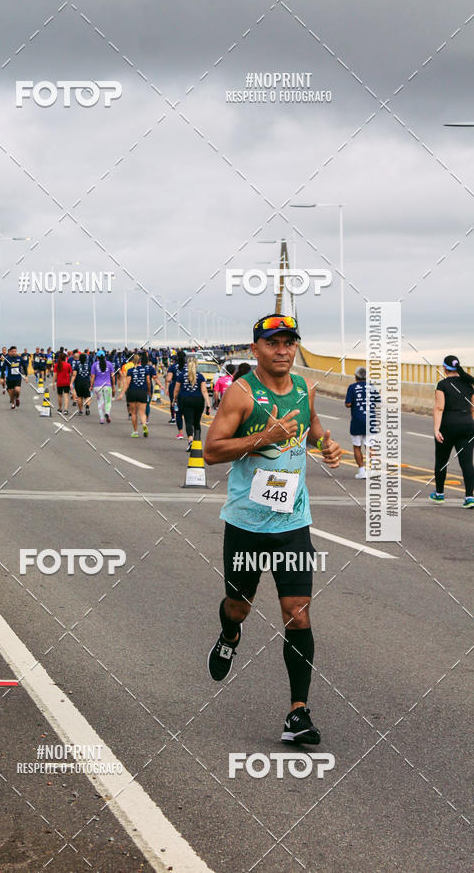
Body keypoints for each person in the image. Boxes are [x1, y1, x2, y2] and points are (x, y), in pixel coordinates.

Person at [203, 314, 342, 745]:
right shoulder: (243, 395)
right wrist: (263, 438)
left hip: (293, 523)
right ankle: (229, 634)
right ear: (255, 349)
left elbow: (312, 424)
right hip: (246, 524)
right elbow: (211, 451)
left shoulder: (304, 387)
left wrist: (325, 444)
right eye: (272, 343)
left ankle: (297, 713)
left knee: (297, 612)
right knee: (238, 606)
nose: (282, 350)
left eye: (289, 343)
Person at [430, 354, 474, 508]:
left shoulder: (442, 384)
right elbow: (472, 408)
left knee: (442, 461)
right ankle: (469, 497)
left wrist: (436, 430)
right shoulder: (469, 384)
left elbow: (439, 407)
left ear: (444, 368)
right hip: (467, 426)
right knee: (467, 463)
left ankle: (439, 494)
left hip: (448, 426)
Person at [344, 366, 379, 479]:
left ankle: (362, 471)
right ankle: (374, 470)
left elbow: (348, 404)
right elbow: (379, 401)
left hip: (357, 421)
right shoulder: (372, 387)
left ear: (355, 376)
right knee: (370, 446)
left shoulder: (352, 387)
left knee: (357, 447)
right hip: (370, 421)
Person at [172, 356, 210, 451]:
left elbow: (176, 389)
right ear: (196, 364)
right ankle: (197, 442)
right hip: (198, 400)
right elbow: (204, 391)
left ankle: (190, 440)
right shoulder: (200, 376)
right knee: (197, 422)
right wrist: (208, 404)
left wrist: (174, 399)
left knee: (188, 421)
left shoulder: (182, 375)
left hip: (186, 399)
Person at [117, 353, 150, 436]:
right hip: (142, 391)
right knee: (142, 412)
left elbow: (127, 383)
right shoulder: (145, 370)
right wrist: (149, 391)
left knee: (134, 413)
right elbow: (148, 382)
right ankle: (144, 425)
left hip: (132, 391)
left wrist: (121, 394)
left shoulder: (130, 370)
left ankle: (135, 431)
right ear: (140, 361)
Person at [90, 350, 116, 423]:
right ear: (105, 356)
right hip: (107, 385)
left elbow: (92, 376)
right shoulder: (109, 364)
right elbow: (113, 375)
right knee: (108, 402)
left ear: (97, 357)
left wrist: (91, 386)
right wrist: (113, 385)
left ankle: (102, 419)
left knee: (100, 402)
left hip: (97, 386)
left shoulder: (94, 365)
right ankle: (107, 413)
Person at [72, 351, 92, 416]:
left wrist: (71, 382)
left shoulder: (77, 365)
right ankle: (87, 407)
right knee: (88, 396)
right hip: (86, 381)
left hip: (78, 382)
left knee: (79, 397)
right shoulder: (89, 365)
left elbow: (74, 374)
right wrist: (92, 383)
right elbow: (91, 375)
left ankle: (80, 411)